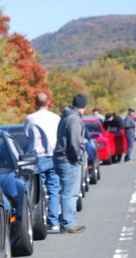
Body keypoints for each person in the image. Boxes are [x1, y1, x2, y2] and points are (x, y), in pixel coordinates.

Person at [23, 92, 62, 232]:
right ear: (48, 102)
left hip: (37, 157)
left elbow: (27, 136)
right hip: (53, 156)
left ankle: (39, 221)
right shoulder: (55, 118)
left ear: (35, 102)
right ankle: (54, 221)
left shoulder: (30, 119)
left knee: (37, 192)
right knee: (53, 190)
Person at [52, 93, 87, 234]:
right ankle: (68, 223)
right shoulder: (74, 119)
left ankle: (68, 221)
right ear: (84, 106)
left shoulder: (66, 116)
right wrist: (78, 157)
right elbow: (74, 142)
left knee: (67, 191)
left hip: (60, 158)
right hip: (68, 159)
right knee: (70, 193)